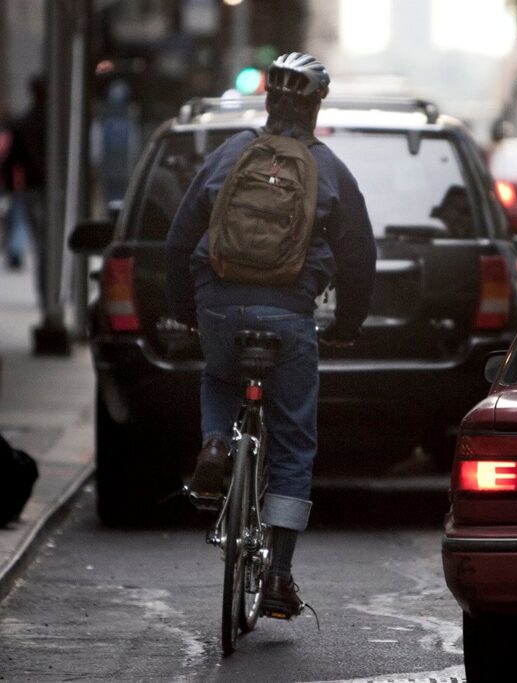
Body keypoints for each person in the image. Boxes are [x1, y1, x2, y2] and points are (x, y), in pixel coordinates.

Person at [165, 52, 376, 617]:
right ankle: (279, 576)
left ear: (269, 101)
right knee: (293, 441)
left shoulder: (231, 154)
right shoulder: (328, 169)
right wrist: (347, 326)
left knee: (218, 372)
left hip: (219, 306)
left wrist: (188, 312)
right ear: (315, 105)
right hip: (290, 316)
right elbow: (360, 258)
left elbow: (179, 239)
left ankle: (214, 442)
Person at [1, 75, 47, 277]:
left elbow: (11, 159)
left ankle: (23, 253)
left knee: (36, 233)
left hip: (30, 184)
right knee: (44, 235)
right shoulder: (57, 123)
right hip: (45, 186)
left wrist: (10, 186)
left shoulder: (23, 123)